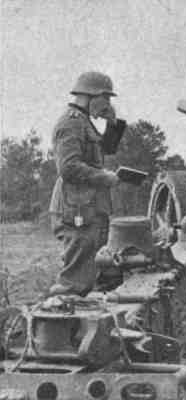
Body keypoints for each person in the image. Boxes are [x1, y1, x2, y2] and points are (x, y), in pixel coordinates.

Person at [48, 71, 127, 296]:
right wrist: (105, 177)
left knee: (95, 272)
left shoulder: (84, 122)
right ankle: (57, 314)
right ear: (91, 95)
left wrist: (112, 123)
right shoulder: (71, 123)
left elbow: (107, 149)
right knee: (74, 280)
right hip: (76, 208)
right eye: (106, 98)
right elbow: (68, 168)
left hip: (89, 206)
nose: (108, 103)